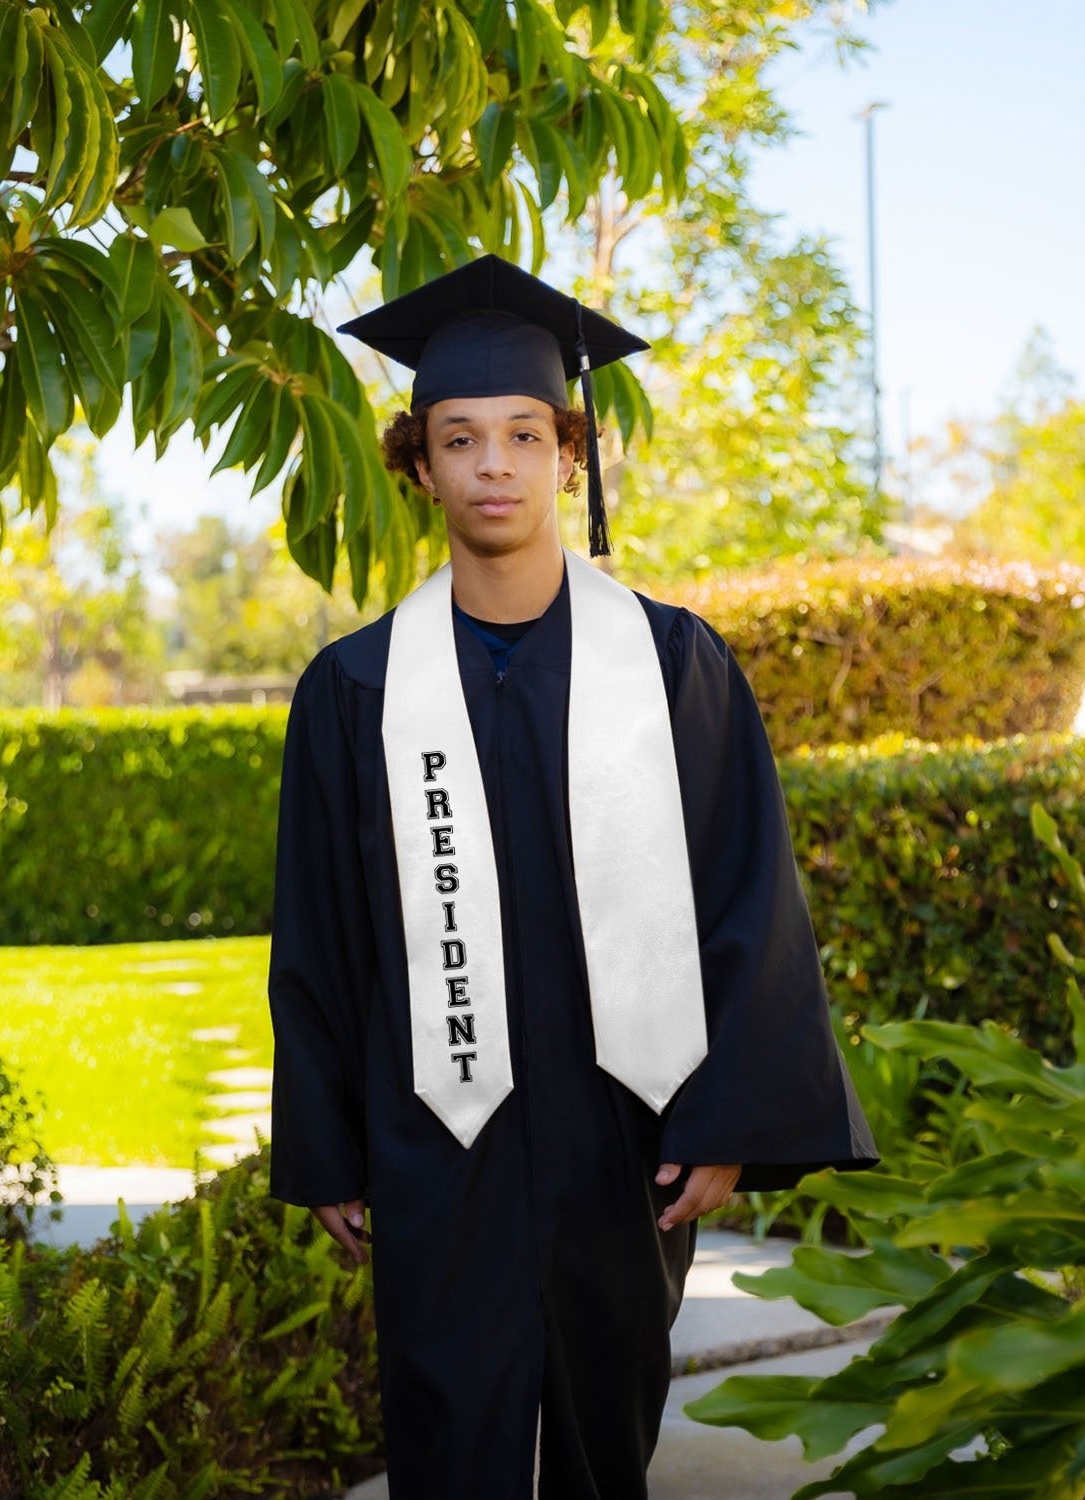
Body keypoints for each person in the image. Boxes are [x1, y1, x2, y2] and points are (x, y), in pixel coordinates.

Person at [267, 254, 878, 1500]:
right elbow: (320, 928)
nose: (493, 463)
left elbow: (745, 892)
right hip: (439, 1125)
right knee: (447, 1434)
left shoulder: (670, 663)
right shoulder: (355, 691)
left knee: (609, 1436)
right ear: (419, 463)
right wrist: (328, 1143)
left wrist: (724, 1124)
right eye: (459, 437)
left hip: (626, 1129)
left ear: (569, 455)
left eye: (523, 434)